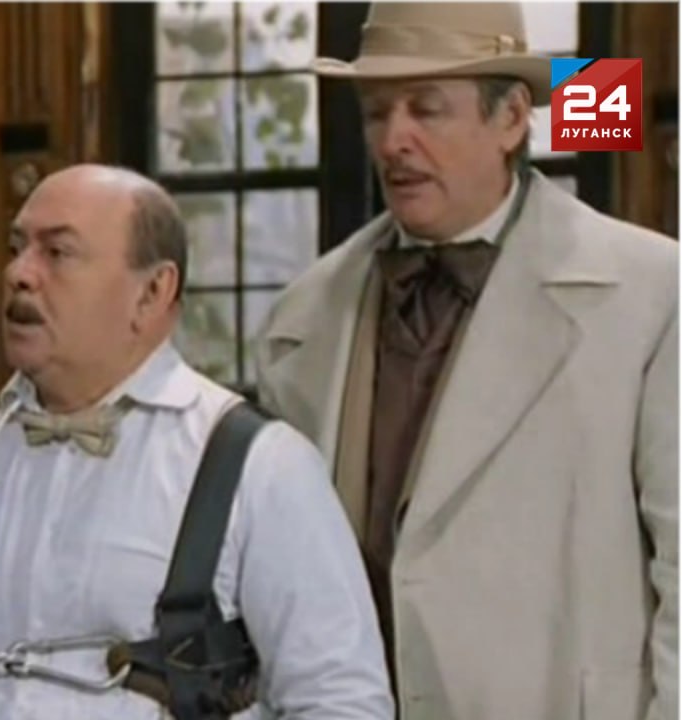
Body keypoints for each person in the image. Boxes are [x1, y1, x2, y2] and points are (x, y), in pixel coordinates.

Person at [251, 4, 678, 719]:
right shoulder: (303, 319)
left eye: (426, 109)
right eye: (377, 112)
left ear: (509, 119)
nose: (394, 140)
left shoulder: (651, 294)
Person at [0, 164, 394, 719]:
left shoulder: (261, 467)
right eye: (17, 248)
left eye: (57, 252)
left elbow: (342, 703)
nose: (19, 273)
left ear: (153, 291)